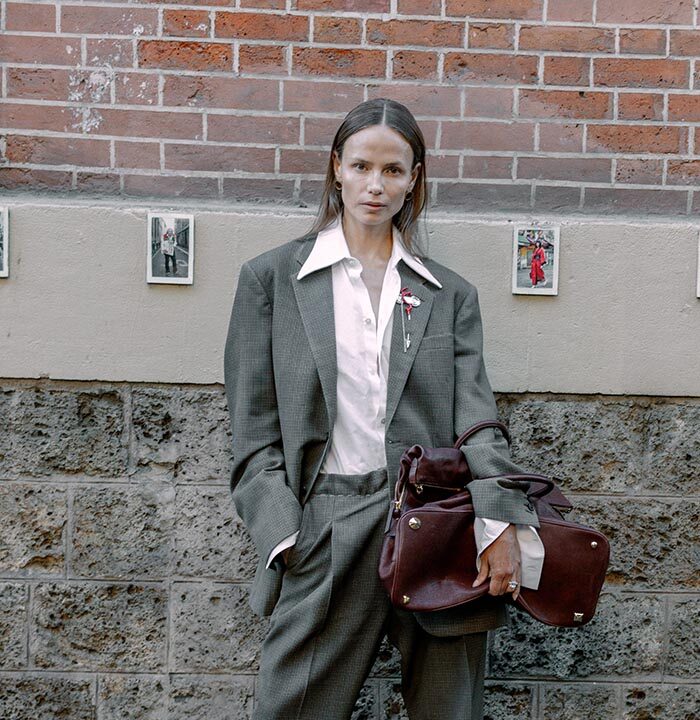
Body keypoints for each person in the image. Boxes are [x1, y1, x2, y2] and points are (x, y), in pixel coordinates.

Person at [224, 99, 543, 720]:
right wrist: (286, 535)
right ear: (336, 168)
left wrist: (499, 521)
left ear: (413, 178)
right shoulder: (271, 280)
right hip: (326, 525)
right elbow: (253, 430)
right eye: (362, 166)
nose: (376, 185)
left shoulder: (448, 294)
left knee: (450, 709)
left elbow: (478, 423)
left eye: (393, 170)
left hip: (438, 523)